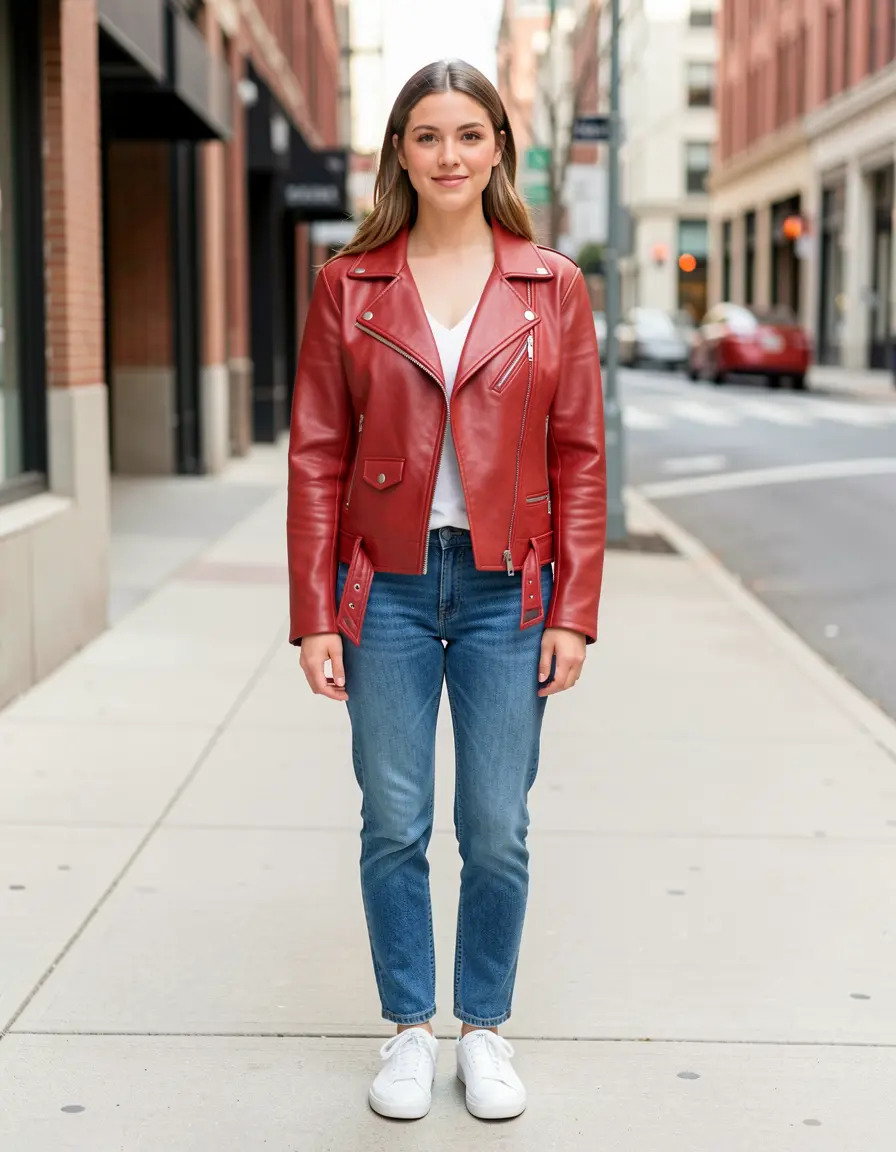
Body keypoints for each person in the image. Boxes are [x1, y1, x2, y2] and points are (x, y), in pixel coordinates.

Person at [286, 59, 606, 1121]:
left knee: (496, 825)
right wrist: (312, 614)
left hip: (508, 591)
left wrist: (573, 607)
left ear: (499, 149)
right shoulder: (351, 284)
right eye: (427, 136)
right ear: (399, 153)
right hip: (381, 587)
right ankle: (408, 1031)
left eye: (469, 134)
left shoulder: (549, 284)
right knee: (393, 818)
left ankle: (483, 1029)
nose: (450, 155)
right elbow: (316, 453)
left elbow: (581, 455)